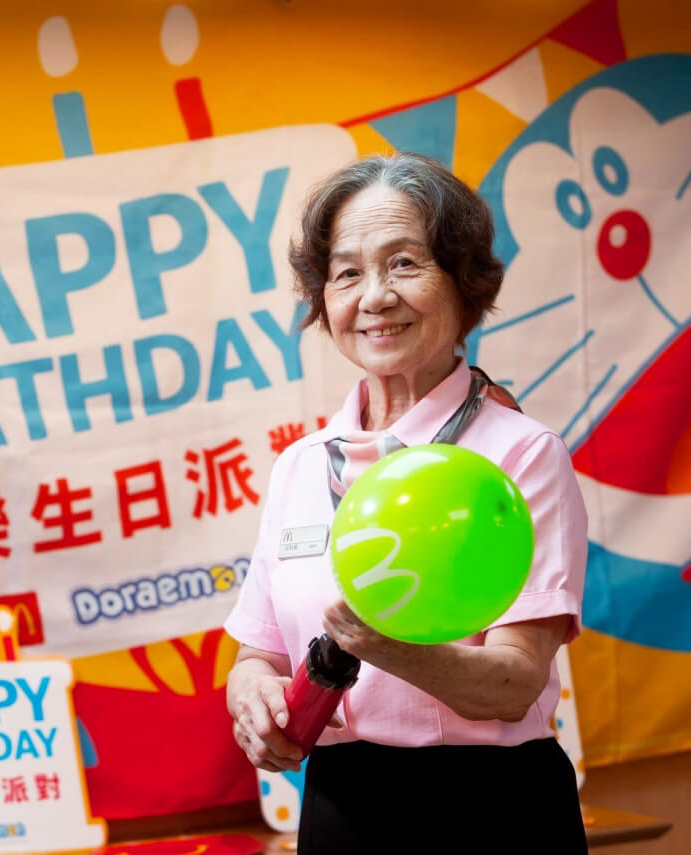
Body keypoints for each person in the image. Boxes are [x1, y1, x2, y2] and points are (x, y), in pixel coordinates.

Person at [223, 152, 589, 854]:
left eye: (404, 264)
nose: (375, 297)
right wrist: (253, 700)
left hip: (491, 809)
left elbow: (515, 682)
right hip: (339, 805)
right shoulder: (302, 466)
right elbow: (257, 653)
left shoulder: (519, 456)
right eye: (347, 273)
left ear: (464, 282)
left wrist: (385, 648)